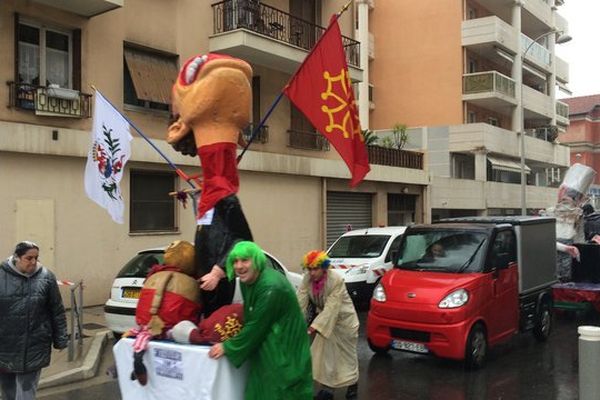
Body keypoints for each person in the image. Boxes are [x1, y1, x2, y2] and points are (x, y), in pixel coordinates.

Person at [208, 241, 312, 400]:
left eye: (245, 260)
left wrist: (228, 346)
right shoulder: (248, 281)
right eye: (235, 261)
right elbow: (251, 315)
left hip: (284, 346)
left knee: (279, 390)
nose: (239, 266)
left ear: (257, 260)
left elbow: (256, 325)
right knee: (260, 388)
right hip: (269, 341)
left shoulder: (271, 287)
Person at [0, 241, 68, 400]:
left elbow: (56, 310)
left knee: (26, 392)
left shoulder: (46, 277)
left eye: (36, 258)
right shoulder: (1, 276)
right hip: (5, 347)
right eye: (28, 258)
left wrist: (61, 339)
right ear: (17, 257)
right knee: (8, 392)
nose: (33, 262)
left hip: (35, 345)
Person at [296, 250, 359, 400]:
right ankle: (328, 390)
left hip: (344, 322)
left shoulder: (335, 280)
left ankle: (353, 384)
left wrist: (313, 327)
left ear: (324, 267)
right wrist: (295, 322)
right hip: (327, 321)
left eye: (315, 269)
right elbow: (300, 301)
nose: (312, 273)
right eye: (309, 269)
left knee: (347, 358)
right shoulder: (307, 279)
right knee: (327, 357)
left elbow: (332, 307)